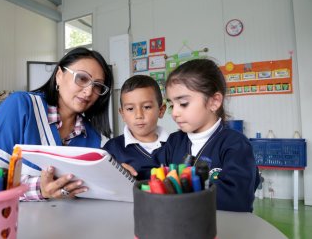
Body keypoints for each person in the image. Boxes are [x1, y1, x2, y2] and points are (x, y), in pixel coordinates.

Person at [0, 47, 113, 201]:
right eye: (82, 78)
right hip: (16, 221)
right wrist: (40, 188)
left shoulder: (93, 138)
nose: (89, 92)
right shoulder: (20, 106)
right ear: (59, 75)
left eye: (97, 86)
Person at [157, 58, 260, 212]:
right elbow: (150, 172)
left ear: (214, 101)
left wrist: (182, 190)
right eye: (172, 105)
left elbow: (238, 198)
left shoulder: (236, 144)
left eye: (183, 103)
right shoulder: (174, 141)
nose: (175, 113)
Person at [103, 75, 168, 180]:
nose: (139, 115)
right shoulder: (112, 148)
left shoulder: (175, 145)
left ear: (161, 110)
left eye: (147, 107)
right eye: (130, 108)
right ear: (122, 114)